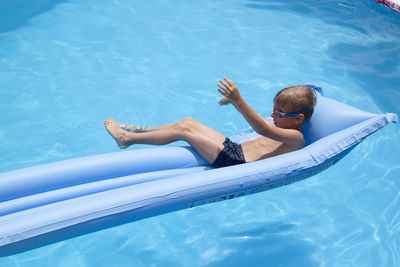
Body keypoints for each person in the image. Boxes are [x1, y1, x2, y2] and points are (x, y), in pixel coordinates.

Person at [104, 78, 317, 168]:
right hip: (234, 149)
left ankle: (127, 139)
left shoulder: (296, 138)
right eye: (273, 110)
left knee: (185, 131)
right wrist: (233, 103)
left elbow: (261, 128)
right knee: (188, 121)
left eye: (279, 112)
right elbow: (261, 121)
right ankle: (141, 130)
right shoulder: (282, 125)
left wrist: (238, 100)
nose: (274, 115)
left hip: (235, 162)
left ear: (298, 119)